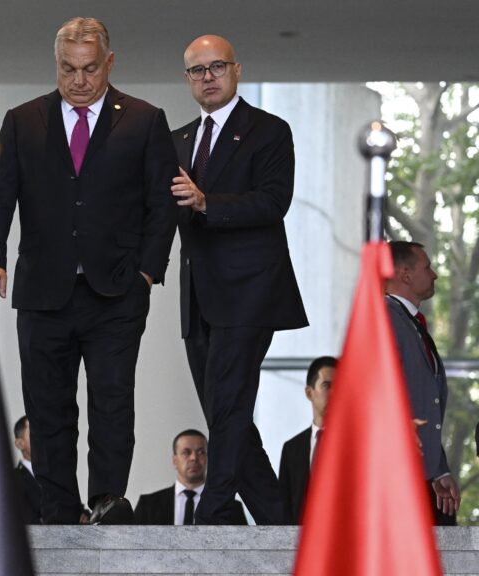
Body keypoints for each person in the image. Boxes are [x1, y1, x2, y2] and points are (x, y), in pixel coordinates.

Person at [0, 17, 178, 526]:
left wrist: (148, 273)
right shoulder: (23, 120)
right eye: (68, 69)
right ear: (56, 65)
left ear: (109, 63)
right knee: (48, 407)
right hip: (43, 290)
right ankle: (58, 508)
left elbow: (162, 204)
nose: (79, 80)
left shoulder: (143, 119)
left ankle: (108, 499)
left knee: (112, 400)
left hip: (116, 290)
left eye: (90, 69)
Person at [171, 34, 308, 525]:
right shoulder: (179, 139)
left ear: (236, 70)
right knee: (226, 413)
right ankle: (276, 518)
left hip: (249, 293)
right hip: (197, 299)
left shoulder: (269, 130)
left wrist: (208, 202)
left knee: (228, 402)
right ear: (187, 79)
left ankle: (215, 510)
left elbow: (274, 202)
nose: (207, 77)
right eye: (197, 71)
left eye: (216, 67)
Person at [385, 240, 459, 525]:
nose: (434, 274)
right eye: (427, 267)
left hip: (419, 475)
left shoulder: (410, 322)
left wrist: (438, 469)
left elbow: (423, 404)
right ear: (405, 274)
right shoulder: (386, 318)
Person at [133, 429, 246, 525]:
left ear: (209, 458)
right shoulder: (148, 505)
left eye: (201, 452)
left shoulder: (230, 508)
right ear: (174, 460)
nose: (194, 458)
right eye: (186, 452)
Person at [278, 355, 335, 524]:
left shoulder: (358, 445)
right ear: (309, 393)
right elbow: (285, 505)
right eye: (327, 386)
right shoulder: (292, 449)